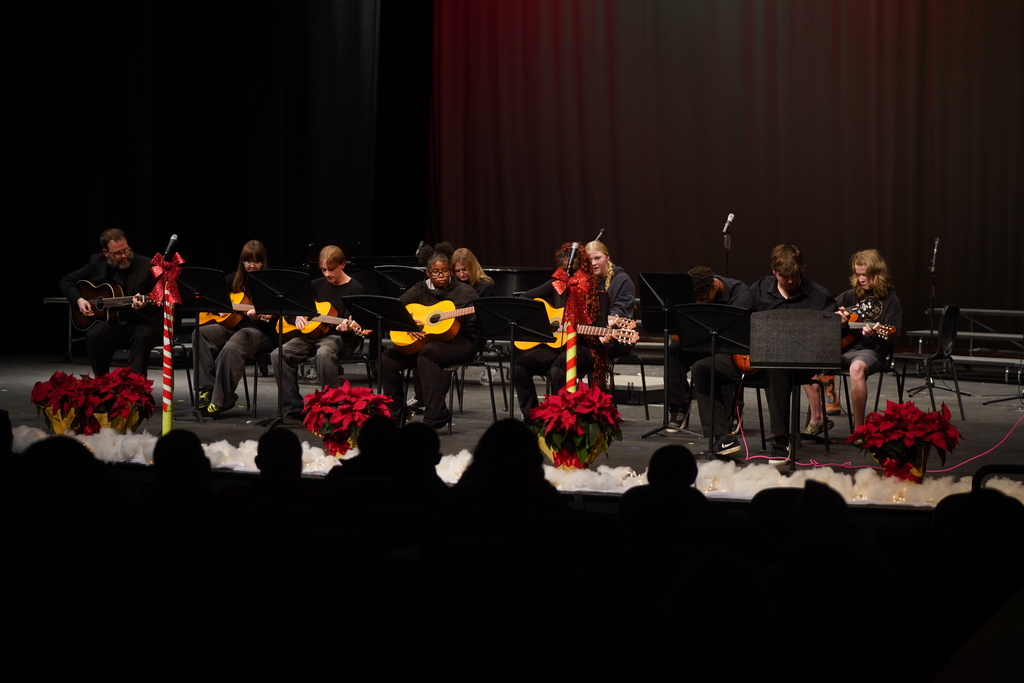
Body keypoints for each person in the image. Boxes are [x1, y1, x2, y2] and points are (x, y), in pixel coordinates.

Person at [748, 244, 838, 459]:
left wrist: (839, 324)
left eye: (795, 276)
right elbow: (739, 319)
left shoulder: (818, 295)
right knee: (705, 368)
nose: (790, 281)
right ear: (774, 272)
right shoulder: (758, 290)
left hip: (803, 364)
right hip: (762, 360)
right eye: (784, 276)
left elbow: (831, 334)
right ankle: (721, 438)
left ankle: (780, 440)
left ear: (802, 270)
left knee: (776, 368)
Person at [379, 244, 480, 429]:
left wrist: (468, 316)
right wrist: (408, 325)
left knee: (428, 353)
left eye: (444, 271)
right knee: (387, 359)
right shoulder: (419, 289)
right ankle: (396, 416)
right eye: (435, 272)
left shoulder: (464, 292)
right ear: (427, 272)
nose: (441, 276)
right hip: (427, 341)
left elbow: (479, 322)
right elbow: (396, 308)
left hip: (462, 342)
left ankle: (436, 415)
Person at [804, 249, 902, 431]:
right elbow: (824, 312)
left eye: (865, 275)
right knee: (805, 361)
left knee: (856, 368)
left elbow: (893, 338)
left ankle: (860, 430)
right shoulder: (852, 295)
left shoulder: (891, 301)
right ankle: (817, 420)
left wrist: (875, 334)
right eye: (858, 274)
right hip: (844, 349)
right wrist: (838, 319)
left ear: (877, 273)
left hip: (872, 351)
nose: (861, 279)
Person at [271, 244, 366, 419]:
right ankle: (292, 408)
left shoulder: (355, 288)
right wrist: (296, 317)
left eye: (331, 269)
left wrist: (346, 328)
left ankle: (331, 407)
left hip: (336, 337)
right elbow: (293, 308)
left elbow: (351, 327)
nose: (327, 274)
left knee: (323, 354)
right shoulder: (314, 285)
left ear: (342, 265)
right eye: (323, 270)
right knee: (278, 354)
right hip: (309, 335)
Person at [513, 242, 605, 419]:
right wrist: (545, 318)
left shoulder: (594, 287)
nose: (567, 274)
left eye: (571, 270)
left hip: (585, 346)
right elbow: (524, 299)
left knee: (558, 369)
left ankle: (562, 418)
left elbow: (600, 326)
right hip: (557, 344)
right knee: (519, 367)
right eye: (564, 270)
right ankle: (533, 417)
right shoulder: (557, 283)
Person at [59, 228, 162, 377]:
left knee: (143, 335)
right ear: (106, 252)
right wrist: (79, 300)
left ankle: (135, 389)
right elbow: (66, 281)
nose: (124, 256)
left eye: (126, 250)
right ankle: (103, 384)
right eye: (118, 253)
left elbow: (160, 297)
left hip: (142, 323)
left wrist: (145, 303)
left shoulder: (148, 265)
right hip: (115, 325)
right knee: (95, 334)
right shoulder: (97, 261)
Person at [193, 240, 277, 417]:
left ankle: (222, 399)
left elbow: (273, 319)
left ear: (263, 262)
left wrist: (257, 317)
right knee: (200, 333)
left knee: (234, 345)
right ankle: (206, 389)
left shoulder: (270, 283)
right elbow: (212, 301)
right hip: (230, 327)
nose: (251, 265)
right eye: (247, 261)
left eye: (256, 261)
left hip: (259, 332)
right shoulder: (232, 279)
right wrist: (220, 310)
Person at [680, 266, 754, 454]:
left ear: (713, 285)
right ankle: (678, 409)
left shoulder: (741, 294)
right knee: (674, 351)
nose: (702, 303)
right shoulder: (697, 290)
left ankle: (727, 421)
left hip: (733, 351)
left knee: (710, 364)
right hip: (707, 343)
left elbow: (735, 334)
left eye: (704, 299)